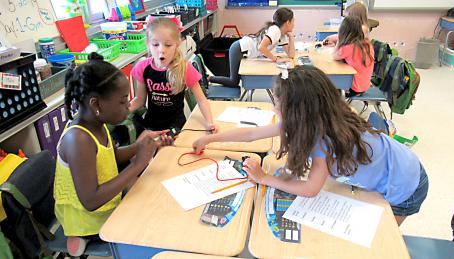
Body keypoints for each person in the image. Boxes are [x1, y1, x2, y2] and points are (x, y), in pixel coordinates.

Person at [193, 65, 428, 226]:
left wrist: (263, 178)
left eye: (279, 104)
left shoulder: (324, 139)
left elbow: (311, 189)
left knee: (380, 243)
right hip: (393, 166)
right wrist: (209, 139)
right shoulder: (321, 117)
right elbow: (253, 133)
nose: (275, 109)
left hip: (406, 185)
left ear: (300, 111)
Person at [54, 53, 171, 256]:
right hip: (88, 216)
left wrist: (142, 145)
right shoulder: (78, 140)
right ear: (96, 104)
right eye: (123, 101)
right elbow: (90, 200)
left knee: (154, 197)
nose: (128, 106)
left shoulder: (96, 123)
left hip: (105, 200)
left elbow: (110, 156)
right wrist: (138, 165)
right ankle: (81, 235)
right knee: (153, 223)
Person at [129, 17, 216, 132]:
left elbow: (201, 100)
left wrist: (210, 123)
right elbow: (139, 100)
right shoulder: (142, 68)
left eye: (168, 45)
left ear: (177, 44)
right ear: (148, 44)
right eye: (155, 44)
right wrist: (122, 111)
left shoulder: (184, 68)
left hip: (176, 127)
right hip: (151, 127)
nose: (161, 50)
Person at [209, 7, 295, 88]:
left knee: (235, 80)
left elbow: (291, 55)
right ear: (288, 22)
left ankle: (209, 78)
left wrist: (291, 37)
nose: (294, 24)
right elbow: (261, 47)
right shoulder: (275, 30)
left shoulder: (281, 34)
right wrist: (275, 59)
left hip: (244, 50)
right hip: (239, 48)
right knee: (234, 81)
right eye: (293, 21)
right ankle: (208, 78)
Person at [333, 16, 374, 96]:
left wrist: (339, 40)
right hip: (364, 84)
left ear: (343, 31)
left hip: (354, 88)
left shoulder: (349, 47)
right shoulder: (367, 43)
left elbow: (334, 56)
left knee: (328, 84)